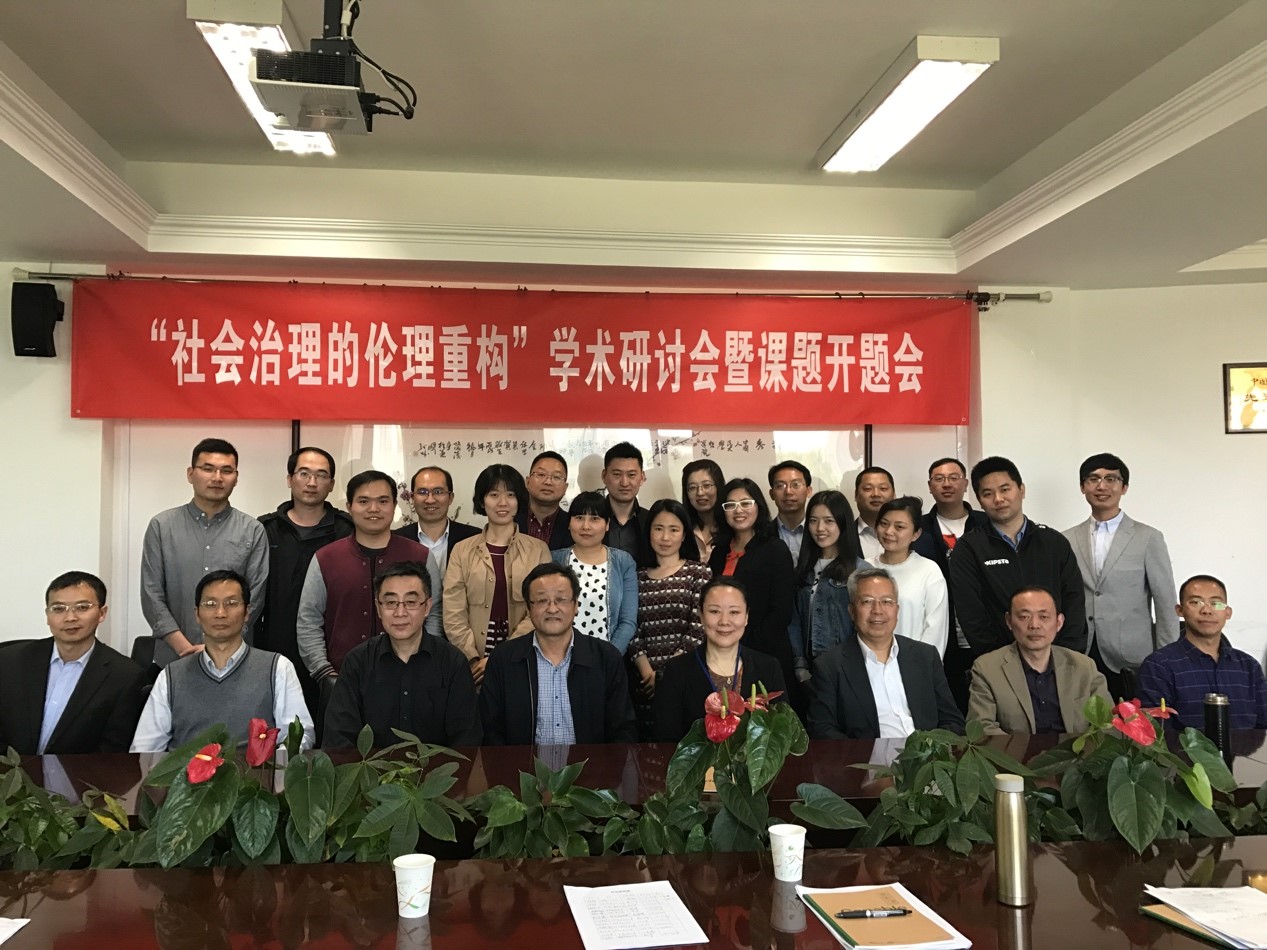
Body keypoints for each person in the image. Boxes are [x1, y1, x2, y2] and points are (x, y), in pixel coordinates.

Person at [131, 570, 314, 752]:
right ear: (197, 614)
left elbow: (298, 737)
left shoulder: (278, 668)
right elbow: (145, 749)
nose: (220, 613)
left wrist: (272, 764)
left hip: (255, 770)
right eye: (210, 604)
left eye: (231, 603)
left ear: (247, 612)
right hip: (185, 770)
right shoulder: (170, 676)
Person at [322, 562, 480, 749]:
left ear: (427, 607)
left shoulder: (453, 663)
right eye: (391, 603)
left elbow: (466, 741)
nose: (400, 613)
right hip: (369, 768)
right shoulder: (357, 662)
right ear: (378, 607)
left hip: (438, 767)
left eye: (411, 602)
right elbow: (339, 739)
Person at [141, 438, 269, 666]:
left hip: (234, 660)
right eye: (208, 469)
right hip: (173, 658)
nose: (217, 478)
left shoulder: (253, 530)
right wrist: (184, 648)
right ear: (191, 474)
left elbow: (255, 597)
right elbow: (152, 595)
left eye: (226, 471)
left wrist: (217, 647)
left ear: (236, 477)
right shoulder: (161, 526)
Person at [1062, 453, 1179, 702]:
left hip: (1132, 657)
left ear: (1124, 487)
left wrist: (1168, 659)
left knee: (1135, 723)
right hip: (1081, 651)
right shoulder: (1066, 539)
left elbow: (1166, 602)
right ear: (1082, 487)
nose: (1102, 486)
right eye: (1093, 479)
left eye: (1111, 479)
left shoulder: (1148, 538)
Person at [478, 563, 637, 745]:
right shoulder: (503, 659)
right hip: (523, 764)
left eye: (561, 599)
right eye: (542, 600)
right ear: (529, 609)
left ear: (576, 605)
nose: (552, 609)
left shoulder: (605, 657)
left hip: (591, 763)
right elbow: (490, 730)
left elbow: (623, 730)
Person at [297, 470, 429, 685]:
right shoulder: (325, 558)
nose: (373, 509)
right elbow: (308, 620)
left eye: (383, 501)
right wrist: (324, 672)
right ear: (349, 507)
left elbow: (433, 616)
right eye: (364, 501)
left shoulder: (420, 556)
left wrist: (425, 665)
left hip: (412, 678)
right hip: (340, 679)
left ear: (395, 505)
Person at [949, 456, 1086, 657]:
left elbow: (1074, 602)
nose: (998, 499)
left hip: (1058, 659)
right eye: (988, 493)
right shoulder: (968, 549)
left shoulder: (1054, 542)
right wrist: (1000, 661)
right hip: (1000, 663)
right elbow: (971, 615)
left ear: (1021, 490)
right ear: (979, 500)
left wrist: (1065, 656)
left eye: (1005, 489)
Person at [0, 571, 147, 755]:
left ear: (102, 613)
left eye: (82, 607)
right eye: (58, 609)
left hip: (79, 773)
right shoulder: (9, 661)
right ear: (47, 615)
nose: (70, 618)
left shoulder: (125, 676)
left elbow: (112, 750)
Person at [807, 568, 964, 740]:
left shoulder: (925, 656)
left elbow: (952, 721)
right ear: (851, 611)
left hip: (926, 753)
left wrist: (931, 751)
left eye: (887, 601)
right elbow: (822, 730)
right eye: (867, 601)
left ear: (897, 610)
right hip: (869, 755)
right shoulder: (829, 666)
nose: (877, 610)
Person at [255, 446, 353, 716]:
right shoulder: (264, 529)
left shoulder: (348, 529)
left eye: (321, 475)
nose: (312, 482)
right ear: (289, 479)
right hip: (274, 649)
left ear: (331, 484)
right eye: (304, 473)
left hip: (333, 654)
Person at [444, 464, 551, 686]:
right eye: (494, 495)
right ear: (482, 501)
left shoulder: (538, 550)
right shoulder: (462, 550)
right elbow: (453, 610)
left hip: (523, 654)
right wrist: (473, 658)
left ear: (519, 500)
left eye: (510, 495)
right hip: (473, 661)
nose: (503, 503)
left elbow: (542, 607)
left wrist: (501, 656)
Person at [653, 578, 789, 743]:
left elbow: (781, 735)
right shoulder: (676, 671)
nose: (724, 621)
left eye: (734, 612)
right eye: (714, 611)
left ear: (746, 617)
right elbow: (666, 740)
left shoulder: (768, 667)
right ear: (701, 615)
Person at [968, 587, 1111, 735]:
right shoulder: (987, 668)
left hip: (1076, 749)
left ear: (1059, 622)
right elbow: (982, 727)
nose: (1034, 625)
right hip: (1015, 749)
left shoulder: (1084, 666)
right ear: (1009, 621)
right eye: (1024, 617)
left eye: (1044, 617)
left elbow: (1107, 724)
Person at [1137, 575, 1267, 731]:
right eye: (1195, 602)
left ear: (1228, 612)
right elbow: (1156, 733)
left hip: (1247, 748)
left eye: (1216, 603)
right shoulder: (1159, 665)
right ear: (1180, 610)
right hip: (1183, 748)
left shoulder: (1249, 666)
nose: (1206, 610)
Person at [912, 457, 990, 713]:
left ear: (966, 484)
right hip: (939, 632)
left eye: (954, 478)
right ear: (929, 486)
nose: (947, 484)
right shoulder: (917, 529)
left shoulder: (987, 524)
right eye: (939, 479)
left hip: (984, 630)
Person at [628, 499, 711, 738]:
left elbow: (698, 627)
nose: (665, 537)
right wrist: (647, 671)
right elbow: (631, 627)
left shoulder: (698, 572)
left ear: (684, 535)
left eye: (674, 530)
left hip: (687, 676)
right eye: (658, 528)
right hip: (645, 682)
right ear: (649, 533)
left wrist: (665, 674)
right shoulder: (636, 577)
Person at [707, 478, 796, 690]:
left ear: (758, 506)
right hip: (723, 655)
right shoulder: (719, 552)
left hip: (766, 653)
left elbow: (781, 611)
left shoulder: (775, 549)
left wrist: (746, 647)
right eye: (731, 505)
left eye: (746, 503)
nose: (738, 510)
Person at [788, 490, 866, 684]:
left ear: (842, 523)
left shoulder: (860, 570)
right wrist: (800, 664)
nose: (819, 528)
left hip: (847, 668)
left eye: (829, 521)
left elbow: (864, 624)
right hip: (810, 670)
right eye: (813, 521)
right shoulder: (803, 569)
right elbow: (794, 620)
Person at [393, 465, 480, 639]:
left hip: (467, 636)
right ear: (412, 497)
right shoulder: (396, 541)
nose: (430, 499)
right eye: (422, 492)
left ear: (451, 497)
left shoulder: (475, 539)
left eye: (438, 492)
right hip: (411, 638)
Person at [549, 491, 638, 655]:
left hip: (607, 659)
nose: (586, 526)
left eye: (594, 519)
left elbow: (628, 622)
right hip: (559, 657)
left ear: (607, 524)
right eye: (579, 518)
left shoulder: (623, 562)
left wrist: (607, 659)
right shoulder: (553, 560)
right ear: (569, 523)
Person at [873, 496, 949, 655]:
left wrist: (920, 665)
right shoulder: (864, 567)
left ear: (916, 534)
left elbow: (935, 629)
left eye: (899, 527)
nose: (889, 531)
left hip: (914, 663)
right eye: (884, 524)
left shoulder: (929, 571)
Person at [601, 442, 648, 562]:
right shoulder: (591, 519)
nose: (624, 483)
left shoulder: (650, 520)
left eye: (631, 475)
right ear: (604, 476)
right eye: (617, 474)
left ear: (642, 477)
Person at [516, 450, 573, 550]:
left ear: (565, 487)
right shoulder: (510, 520)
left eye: (556, 477)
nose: (548, 482)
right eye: (541, 474)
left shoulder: (573, 526)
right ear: (527, 482)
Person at [681, 459, 725, 564]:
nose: (700, 493)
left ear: (719, 487)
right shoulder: (681, 528)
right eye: (692, 487)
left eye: (707, 486)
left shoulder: (732, 526)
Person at [768, 460, 812, 564]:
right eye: (780, 486)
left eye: (796, 484)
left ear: (808, 491)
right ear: (772, 494)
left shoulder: (820, 532)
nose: (788, 491)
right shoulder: (762, 535)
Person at [853, 467, 895, 561]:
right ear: (856, 495)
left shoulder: (914, 537)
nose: (876, 494)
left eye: (883, 488)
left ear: (894, 495)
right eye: (868, 489)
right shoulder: (841, 537)